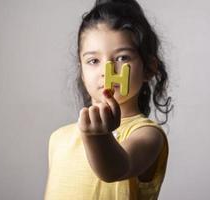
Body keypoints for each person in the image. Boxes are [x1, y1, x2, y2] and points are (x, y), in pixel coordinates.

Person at [44, 0, 173, 199]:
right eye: (93, 61)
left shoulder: (147, 135)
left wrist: (98, 136)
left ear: (149, 68)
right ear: (82, 71)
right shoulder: (58, 139)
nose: (108, 71)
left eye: (122, 58)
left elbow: (116, 170)